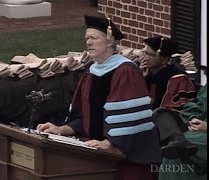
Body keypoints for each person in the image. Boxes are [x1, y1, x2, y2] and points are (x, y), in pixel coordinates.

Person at [37, 12, 162, 180]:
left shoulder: (126, 71)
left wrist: (111, 143)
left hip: (127, 160)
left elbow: (133, 119)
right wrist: (61, 130)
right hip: (97, 157)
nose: (88, 42)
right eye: (87, 38)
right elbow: (85, 117)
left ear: (109, 41)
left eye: (94, 38)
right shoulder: (91, 73)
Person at [156, 83, 207, 180]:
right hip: (195, 130)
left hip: (200, 136)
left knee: (176, 153)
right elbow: (197, 105)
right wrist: (193, 118)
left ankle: (179, 141)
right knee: (160, 113)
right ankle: (178, 139)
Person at [140, 37, 196, 111]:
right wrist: (140, 78)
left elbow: (173, 111)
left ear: (164, 59)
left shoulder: (178, 79)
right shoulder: (142, 71)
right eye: (144, 53)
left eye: (150, 55)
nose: (145, 58)